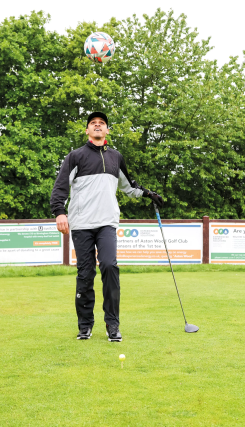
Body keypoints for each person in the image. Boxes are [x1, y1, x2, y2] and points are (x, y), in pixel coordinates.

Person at [50, 112, 164, 342]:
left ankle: (112, 325)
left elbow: (128, 185)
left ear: (107, 130)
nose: (98, 126)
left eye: (102, 123)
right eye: (93, 123)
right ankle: (85, 326)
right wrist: (59, 212)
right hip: (81, 224)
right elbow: (60, 186)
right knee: (85, 273)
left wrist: (148, 194)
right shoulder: (75, 156)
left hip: (107, 223)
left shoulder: (115, 157)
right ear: (87, 131)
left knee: (110, 267)